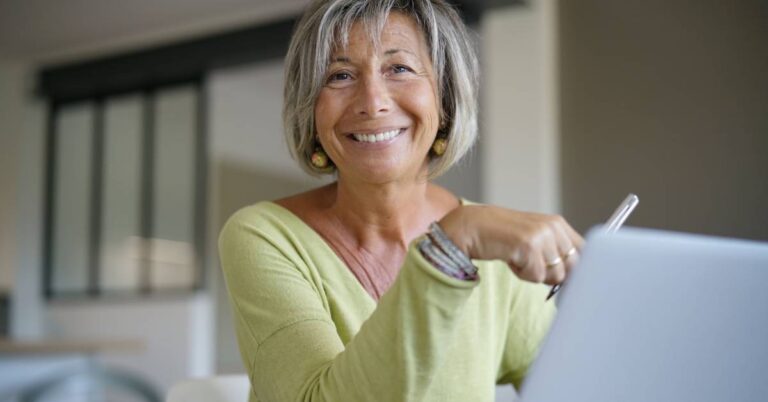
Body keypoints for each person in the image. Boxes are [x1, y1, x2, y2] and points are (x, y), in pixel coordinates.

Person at [218, 0, 584, 401]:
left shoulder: (488, 247)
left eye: (399, 69)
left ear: (444, 99)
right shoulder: (264, 236)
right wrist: (448, 250)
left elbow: (574, 387)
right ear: (312, 111)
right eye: (340, 75)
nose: (372, 101)